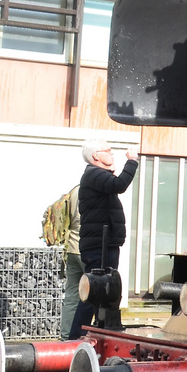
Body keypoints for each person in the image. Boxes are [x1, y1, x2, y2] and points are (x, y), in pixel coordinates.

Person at [71, 140, 137, 339]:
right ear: (96, 156)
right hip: (99, 244)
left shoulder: (97, 175)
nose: (112, 154)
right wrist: (132, 161)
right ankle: (74, 340)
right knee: (94, 293)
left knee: (104, 293)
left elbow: (113, 184)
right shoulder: (93, 174)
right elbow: (119, 185)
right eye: (107, 151)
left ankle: (96, 336)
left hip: (105, 242)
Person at [58, 184, 81, 340]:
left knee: (72, 296)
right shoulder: (97, 187)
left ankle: (66, 336)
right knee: (97, 295)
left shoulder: (75, 190)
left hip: (71, 248)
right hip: (89, 250)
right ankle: (82, 336)